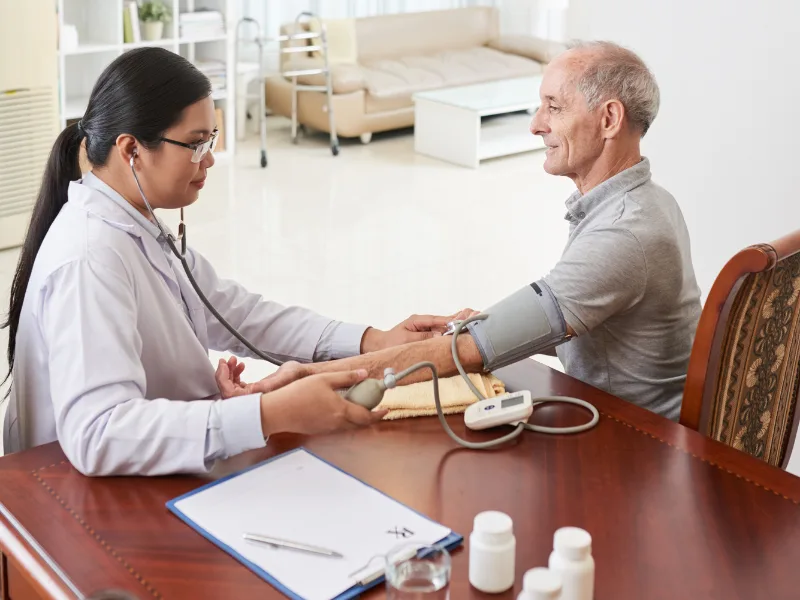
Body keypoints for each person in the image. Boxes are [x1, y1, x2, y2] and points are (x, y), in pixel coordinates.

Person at [0, 47, 460, 476]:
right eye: (197, 143)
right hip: (74, 497)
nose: (211, 159)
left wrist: (371, 340)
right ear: (131, 150)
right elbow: (99, 433)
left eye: (212, 139)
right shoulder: (90, 259)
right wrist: (266, 413)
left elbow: (237, 313)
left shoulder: (136, 224)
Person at [309, 41, 702, 421]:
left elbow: (469, 351)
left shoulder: (623, 232)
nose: (536, 125)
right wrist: (485, 327)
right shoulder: (648, 202)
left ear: (609, 119)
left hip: (636, 438)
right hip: (621, 415)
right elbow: (580, 316)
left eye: (554, 107)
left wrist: (315, 379)